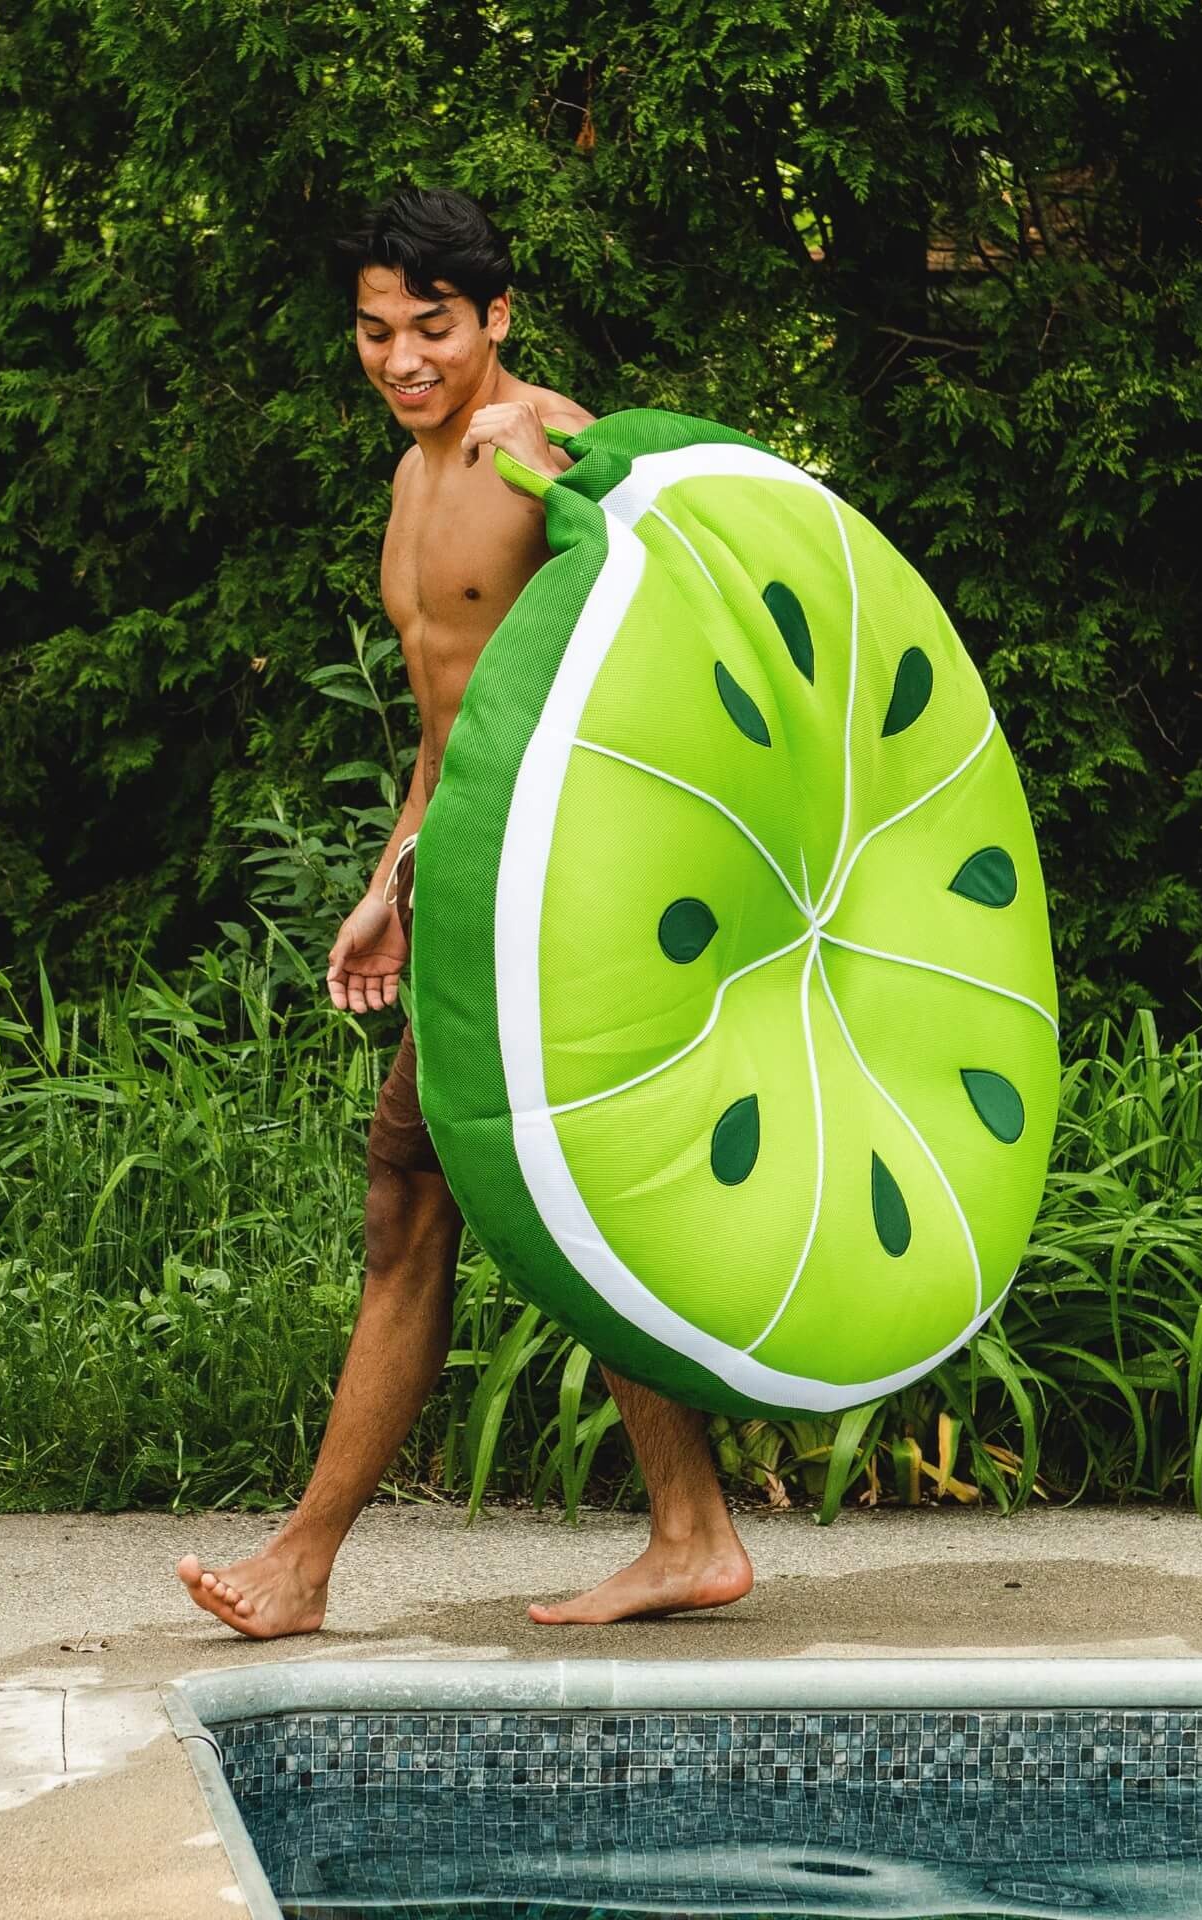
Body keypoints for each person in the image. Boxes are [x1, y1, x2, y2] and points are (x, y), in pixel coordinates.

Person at [176, 187, 754, 1637]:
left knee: (424, 1207)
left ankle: (305, 1565)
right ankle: (690, 1530)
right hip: (470, 890)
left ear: (496, 318)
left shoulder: (539, 441)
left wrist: (570, 466)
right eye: (376, 331)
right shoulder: (415, 476)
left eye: (433, 329)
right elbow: (454, 731)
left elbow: (673, 587)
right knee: (524, 1206)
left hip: (560, 902)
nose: (401, 358)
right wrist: (390, 885)